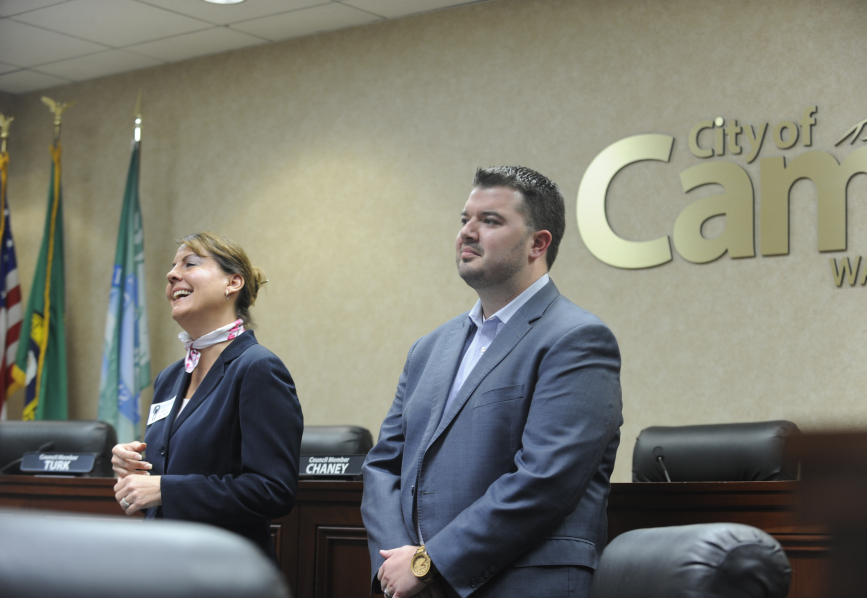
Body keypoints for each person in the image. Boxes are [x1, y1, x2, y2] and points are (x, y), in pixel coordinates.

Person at [362, 167, 623, 598]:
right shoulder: (428, 349)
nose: (467, 232)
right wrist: (397, 563)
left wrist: (429, 563)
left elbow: (545, 480)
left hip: (523, 583)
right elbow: (383, 465)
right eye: (465, 219)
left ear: (538, 243)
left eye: (490, 220)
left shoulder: (576, 339)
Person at [112, 232, 304, 563]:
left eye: (190, 263)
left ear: (233, 283)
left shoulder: (257, 368)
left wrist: (164, 490)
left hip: (222, 571)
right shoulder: (169, 378)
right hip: (160, 566)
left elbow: (273, 490)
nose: (172, 274)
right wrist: (132, 472)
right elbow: (168, 472)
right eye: (172, 267)